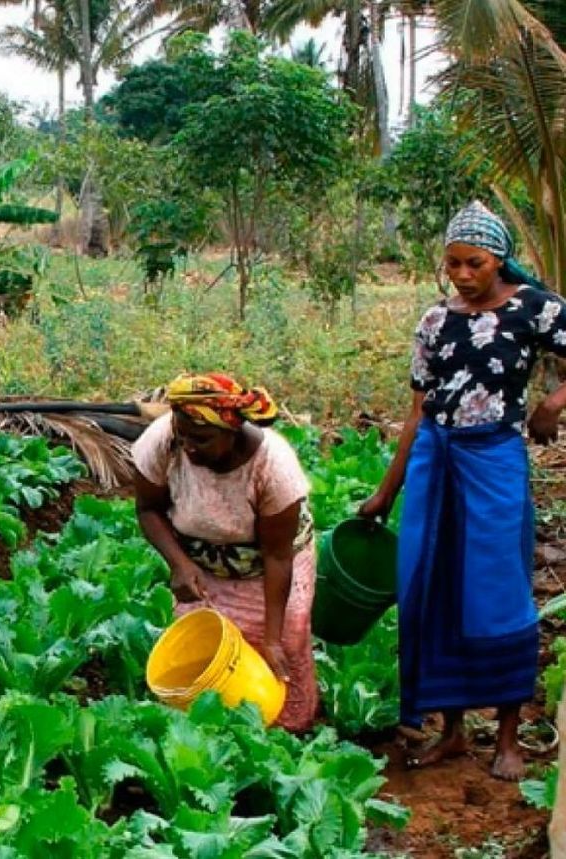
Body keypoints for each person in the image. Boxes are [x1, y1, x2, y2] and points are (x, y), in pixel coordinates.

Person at [359, 201, 566, 781]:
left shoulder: (533, 307)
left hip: (494, 458)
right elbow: (418, 411)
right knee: (433, 586)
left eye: (474, 263)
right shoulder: (434, 321)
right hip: (436, 459)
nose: (463, 275)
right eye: (453, 264)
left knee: (499, 590)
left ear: (499, 260)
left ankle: (507, 736)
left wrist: (552, 403)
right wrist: (387, 491)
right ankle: (451, 731)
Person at [133, 373, 319, 732]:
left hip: (270, 566)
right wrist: (180, 564)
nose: (188, 447)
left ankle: (290, 732)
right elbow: (148, 509)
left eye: (201, 439)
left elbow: (278, 558)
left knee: (282, 645)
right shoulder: (162, 442)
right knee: (204, 647)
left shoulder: (273, 467)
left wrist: (272, 638)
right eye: (182, 435)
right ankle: (211, 730)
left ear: (231, 431)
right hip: (202, 564)